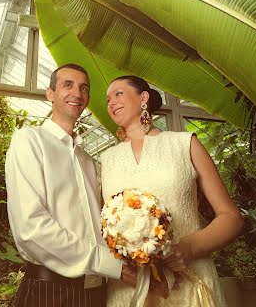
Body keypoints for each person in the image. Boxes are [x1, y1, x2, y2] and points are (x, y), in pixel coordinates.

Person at [101, 75, 245, 307]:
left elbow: (232, 218)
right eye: (107, 100)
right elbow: (105, 231)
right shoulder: (107, 159)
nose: (111, 103)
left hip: (189, 285)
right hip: (130, 291)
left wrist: (189, 247)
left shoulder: (185, 143)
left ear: (144, 97)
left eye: (118, 94)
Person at [5, 63, 137, 307]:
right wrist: (111, 265)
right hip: (50, 292)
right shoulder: (29, 140)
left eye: (83, 88)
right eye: (68, 85)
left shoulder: (87, 160)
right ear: (50, 93)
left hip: (95, 292)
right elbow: (31, 227)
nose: (77, 93)